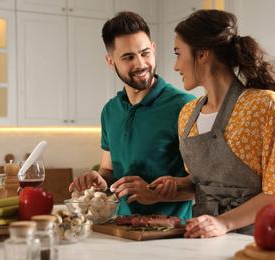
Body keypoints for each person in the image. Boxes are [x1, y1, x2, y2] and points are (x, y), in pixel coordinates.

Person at [150, 9, 275, 237]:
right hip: (201, 237)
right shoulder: (188, 114)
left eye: (178, 54)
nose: (175, 66)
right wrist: (176, 186)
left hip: (257, 240)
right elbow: (202, 184)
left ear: (202, 55)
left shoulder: (264, 106)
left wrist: (223, 223)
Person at [68, 11, 196, 221]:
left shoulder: (184, 105)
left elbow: (201, 184)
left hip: (171, 235)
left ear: (153, 49)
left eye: (145, 53)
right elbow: (108, 169)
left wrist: (154, 193)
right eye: (128, 57)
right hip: (121, 228)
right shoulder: (110, 111)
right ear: (111, 62)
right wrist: (99, 180)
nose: (141, 64)